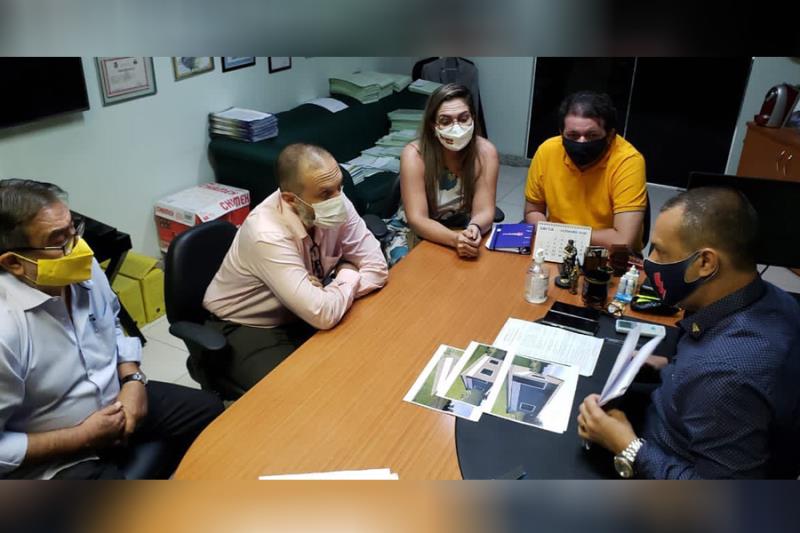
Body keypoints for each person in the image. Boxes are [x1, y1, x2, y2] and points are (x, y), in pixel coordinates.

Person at [0, 179, 224, 479]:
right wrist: (81, 437)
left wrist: (132, 379)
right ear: (14, 263)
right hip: (57, 455)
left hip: (118, 399)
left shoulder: (81, 267)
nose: (79, 248)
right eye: (59, 240)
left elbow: (112, 324)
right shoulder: (6, 330)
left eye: (74, 229)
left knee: (211, 412)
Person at [577, 187, 800, 479]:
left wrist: (626, 446)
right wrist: (669, 369)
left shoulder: (724, 375)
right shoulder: (775, 299)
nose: (649, 261)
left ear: (705, 262)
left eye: (661, 251)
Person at [203, 143, 388, 392]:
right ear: (291, 200)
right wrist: (348, 273)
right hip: (248, 324)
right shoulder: (266, 233)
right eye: (325, 194)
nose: (338, 199)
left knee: (363, 357)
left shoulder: (334, 200)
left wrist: (327, 293)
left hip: (301, 311)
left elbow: (377, 267)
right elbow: (322, 314)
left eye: (339, 187)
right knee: (306, 393)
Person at [384, 83, 499, 265]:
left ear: (473, 118)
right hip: (414, 230)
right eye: (445, 121)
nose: (456, 128)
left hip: (461, 226)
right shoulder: (414, 155)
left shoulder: (486, 152)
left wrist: (475, 228)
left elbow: (484, 210)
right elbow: (417, 219)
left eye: (463, 119)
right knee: (413, 274)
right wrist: (454, 240)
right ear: (432, 125)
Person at [524, 91, 647, 252]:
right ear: (561, 133)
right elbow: (533, 211)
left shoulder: (628, 161)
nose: (581, 142)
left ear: (610, 135)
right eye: (573, 135)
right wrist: (559, 237)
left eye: (591, 135)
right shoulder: (547, 151)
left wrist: (561, 234)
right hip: (558, 246)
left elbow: (623, 241)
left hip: (609, 254)